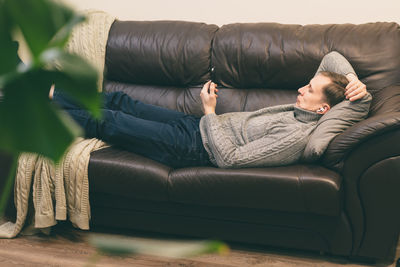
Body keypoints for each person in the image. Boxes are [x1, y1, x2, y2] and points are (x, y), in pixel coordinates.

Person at [50, 51, 368, 168]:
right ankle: (48, 93)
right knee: (123, 101)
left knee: (111, 121)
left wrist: (210, 112)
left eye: (309, 89)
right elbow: (333, 56)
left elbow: (230, 159)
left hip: (193, 148)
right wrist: (352, 79)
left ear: (324, 107)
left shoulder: (296, 136)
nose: (300, 89)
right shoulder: (309, 109)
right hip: (194, 127)